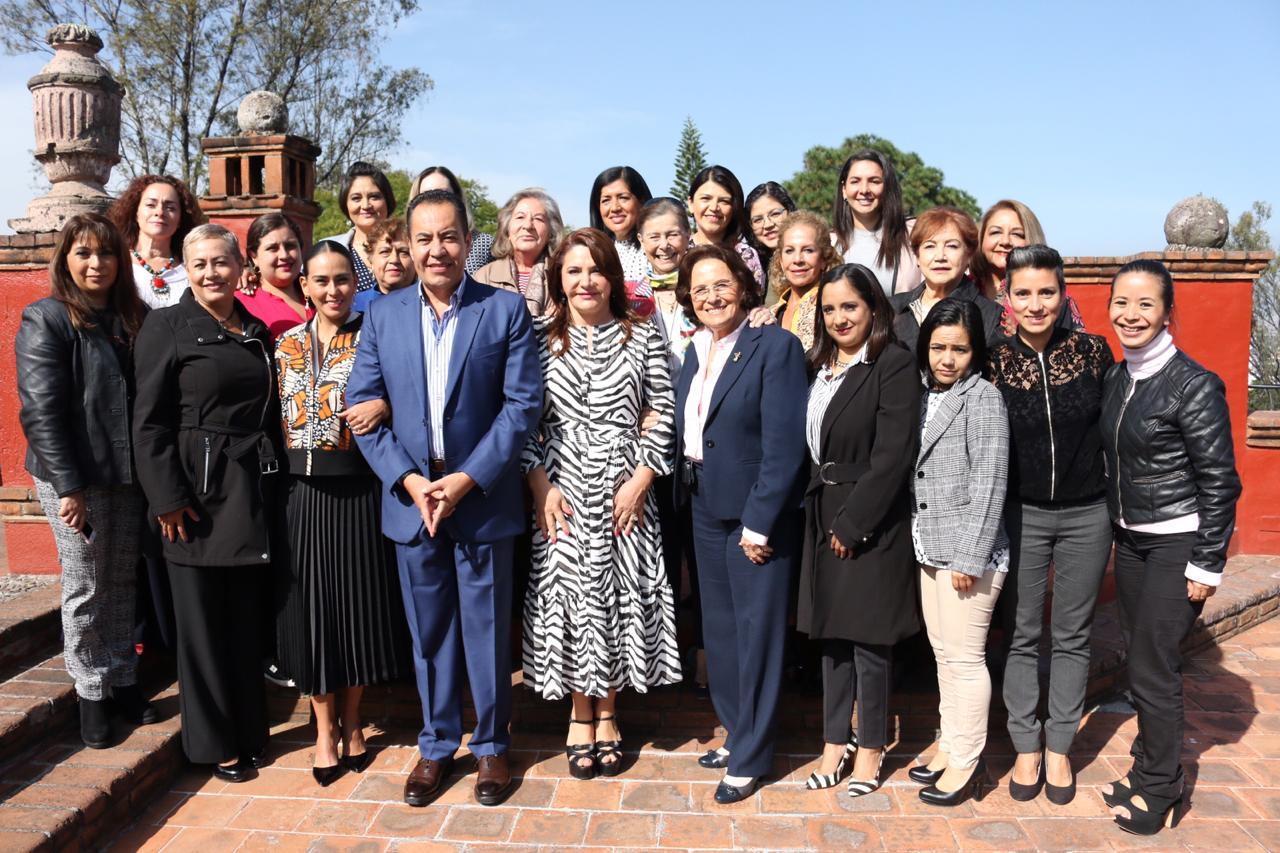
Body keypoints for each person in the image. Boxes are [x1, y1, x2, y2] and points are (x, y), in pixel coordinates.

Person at [346, 189, 542, 808]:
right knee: (428, 633)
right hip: (413, 501)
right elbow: (363, 413)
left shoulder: (504, 311)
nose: (437, 250)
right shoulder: (382, 315)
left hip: (478, 498)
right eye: (425, 238)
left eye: (449, 236)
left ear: (467, 240)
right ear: (407, 243)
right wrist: (409, 481)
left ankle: (489, 747)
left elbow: (522, 407)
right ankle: (435, 746)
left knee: (485, 631)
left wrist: (465, 480)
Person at [521, 228, 680, 778]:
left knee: (616, 598)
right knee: (569, 599)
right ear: (558, 281)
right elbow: (524, 420)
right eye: (573, 271)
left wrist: (641, 479)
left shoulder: (642, 336)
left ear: (611, 275)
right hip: (560, 486)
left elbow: (662, 408)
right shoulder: (538, 339)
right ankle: (578, 711)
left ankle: (609, 711)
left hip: (625, 488)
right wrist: (539, 484)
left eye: (595, 269)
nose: (585, 281)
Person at [132, 223, 283, 783]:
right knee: (202, 630)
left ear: (240, 266)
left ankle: (250, 731)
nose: (211, 273)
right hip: (192, 499)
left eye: (220, 262)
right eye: (199, 265)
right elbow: (148, 424)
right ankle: (215, 742)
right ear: (186, 270)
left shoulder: (256, 329)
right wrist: (167, 497)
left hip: (250, 492)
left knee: (245, 623)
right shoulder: (166, 325)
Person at [1100, 259, 1241, 835]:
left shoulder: (1194, 384)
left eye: (1145, 305)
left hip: (1176, 542)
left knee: (1154, 668)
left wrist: (1207, 563)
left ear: (1166, 313)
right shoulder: (1117, 376)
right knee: (1139, 659)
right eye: (1122, 303)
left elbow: (1220, 481)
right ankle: (1147, 766)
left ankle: (1162, 787)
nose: (1130, 315)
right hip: (1132, 540)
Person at [673, 243, 807, 804]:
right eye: (699, 288)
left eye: (720, 283)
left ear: (744, 285)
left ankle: (753, 755)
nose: (711, 296)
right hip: (702, 504)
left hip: (754, 511)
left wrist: (760, 520)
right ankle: (736, 731)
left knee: (758, 633)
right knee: (722, 630)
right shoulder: (691, 349)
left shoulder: (775, 346)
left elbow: (784, 445)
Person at [274, 241, 408, 787]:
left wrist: (388, 404)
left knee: (355, 611)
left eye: (342, 280)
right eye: (321, 281)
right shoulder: (282, 344)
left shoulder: (376, 338)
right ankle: (322, 729)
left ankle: (354, 721)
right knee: (313, 615)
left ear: (357, 283)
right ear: (304, 284)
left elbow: (411, 397)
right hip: (300, 495)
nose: (332, 291)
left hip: (359, 492)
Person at [16, 213, 153, 748]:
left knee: (121, 579)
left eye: (107, 253)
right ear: (66, 260)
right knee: (84, 584)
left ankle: (121, 679)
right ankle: (90, 692)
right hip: (72, 477)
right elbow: (42, 411)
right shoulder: (46, 319)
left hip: (125, 474)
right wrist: (70, 486)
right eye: (84, 253)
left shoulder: (131, 319)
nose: (97, 264)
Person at [988, 246, 1115, 806]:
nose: (1036, 304)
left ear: (1063, 295)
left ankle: (1060, 744)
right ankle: (1025, 743)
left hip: (1089, 513)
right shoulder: (992, 361)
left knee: (1072, 634)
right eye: (1024, 293)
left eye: (1046, 292)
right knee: (1021, 634)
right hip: (1022, 513)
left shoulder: (1092, 353)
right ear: (1007, 298)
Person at [796, 263, 919, 796]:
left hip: (866, 518)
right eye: (829, 308)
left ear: (873, 308)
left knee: (869, 643)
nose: (839, 317)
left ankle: (869, 751)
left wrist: (854, 522)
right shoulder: (818, 365)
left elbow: (893, 456)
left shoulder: (892, 363)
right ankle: (832, 744)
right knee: (831, 638)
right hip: (820, 511)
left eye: (850, 306)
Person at [909, 299, 1010, 807]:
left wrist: (971, 558)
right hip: (930, 542)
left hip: (969, 555)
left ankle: (968, 762)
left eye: (959, 349)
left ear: (976, 352)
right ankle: (949, 745)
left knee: (966, 660)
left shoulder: (983, 398)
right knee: (944, 655)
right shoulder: (925, 394)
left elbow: (990, 482)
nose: (947, 359)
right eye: (938, 347)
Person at [890, 206, 1002, 351]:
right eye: (930, 246)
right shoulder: (892, 308)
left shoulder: (990, 315)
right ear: (917, 256)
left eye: (952, 246)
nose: (940, 257)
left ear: (969, 254)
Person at [971, 200, 1083, 335]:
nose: (1005, 241)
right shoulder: (963, 289)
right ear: (982, 238)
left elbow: (1077, 348)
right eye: (996, 232)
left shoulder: (1055, 298)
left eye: (1017, 234)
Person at [831, 150, 921, 297]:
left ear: (887, 187)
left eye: (874, 181)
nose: (864, 190)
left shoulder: (913, 233)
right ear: (844, 190)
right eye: (855, 181)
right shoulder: (829, 242)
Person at [107, 175, 204, 309]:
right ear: (136, 212)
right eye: (151, 205)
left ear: (181, 218)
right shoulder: (116, 263)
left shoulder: (193, 268)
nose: (160, 212)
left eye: (170, 208)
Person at [473, 188, 565, 315]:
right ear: (507, 229)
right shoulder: (484, 277)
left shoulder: (562, 276)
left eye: (538, 219)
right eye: (520, 217)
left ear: (551, 231)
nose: (528, 226)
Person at [769, 210, 843, 353]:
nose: (798, 260)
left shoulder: (832, 305)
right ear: (781, 261)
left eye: (808, 250)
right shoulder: (772, 312)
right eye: (789, 251)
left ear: (824, 259)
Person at [318, 161, 397, 292]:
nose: (366, 205)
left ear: (387, 201)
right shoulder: (327, 249)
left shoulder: (409, 246)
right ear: (346, 204)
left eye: (374, 197)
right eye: (356, 198)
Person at [686, 165, 766, 291]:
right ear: (690, 204)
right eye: (705, 198)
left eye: (724, 201)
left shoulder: (745, 255)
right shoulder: (678, 252)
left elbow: (754, 304)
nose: (714, 207)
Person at [411, 165, 495, 275]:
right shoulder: (404, 248)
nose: (436, 200)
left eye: (444, 194)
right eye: (426, 195)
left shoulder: (485, 244)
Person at [240, 213, 311, 341]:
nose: (284, 255)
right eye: (273, 248)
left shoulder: (319, 290)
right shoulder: (241, 302)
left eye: (290, 246)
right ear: (253, 256)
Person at [589, 166, 654, 285]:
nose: (615, 208)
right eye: (606, 200)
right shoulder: (592, 254)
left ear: (641, 201)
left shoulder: (658, 249)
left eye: (623, 198)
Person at [352, 217, 415, 314]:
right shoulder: (354, 306)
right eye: (385, 252)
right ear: (371, 260)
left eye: (403, 252)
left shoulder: (430, 305)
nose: (394, 260)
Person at [745, 182, 796, 279]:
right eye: (758, 220)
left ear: (789, 211)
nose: (768, 225)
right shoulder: (752, 269)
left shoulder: (810, 260)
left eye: (775, 214)